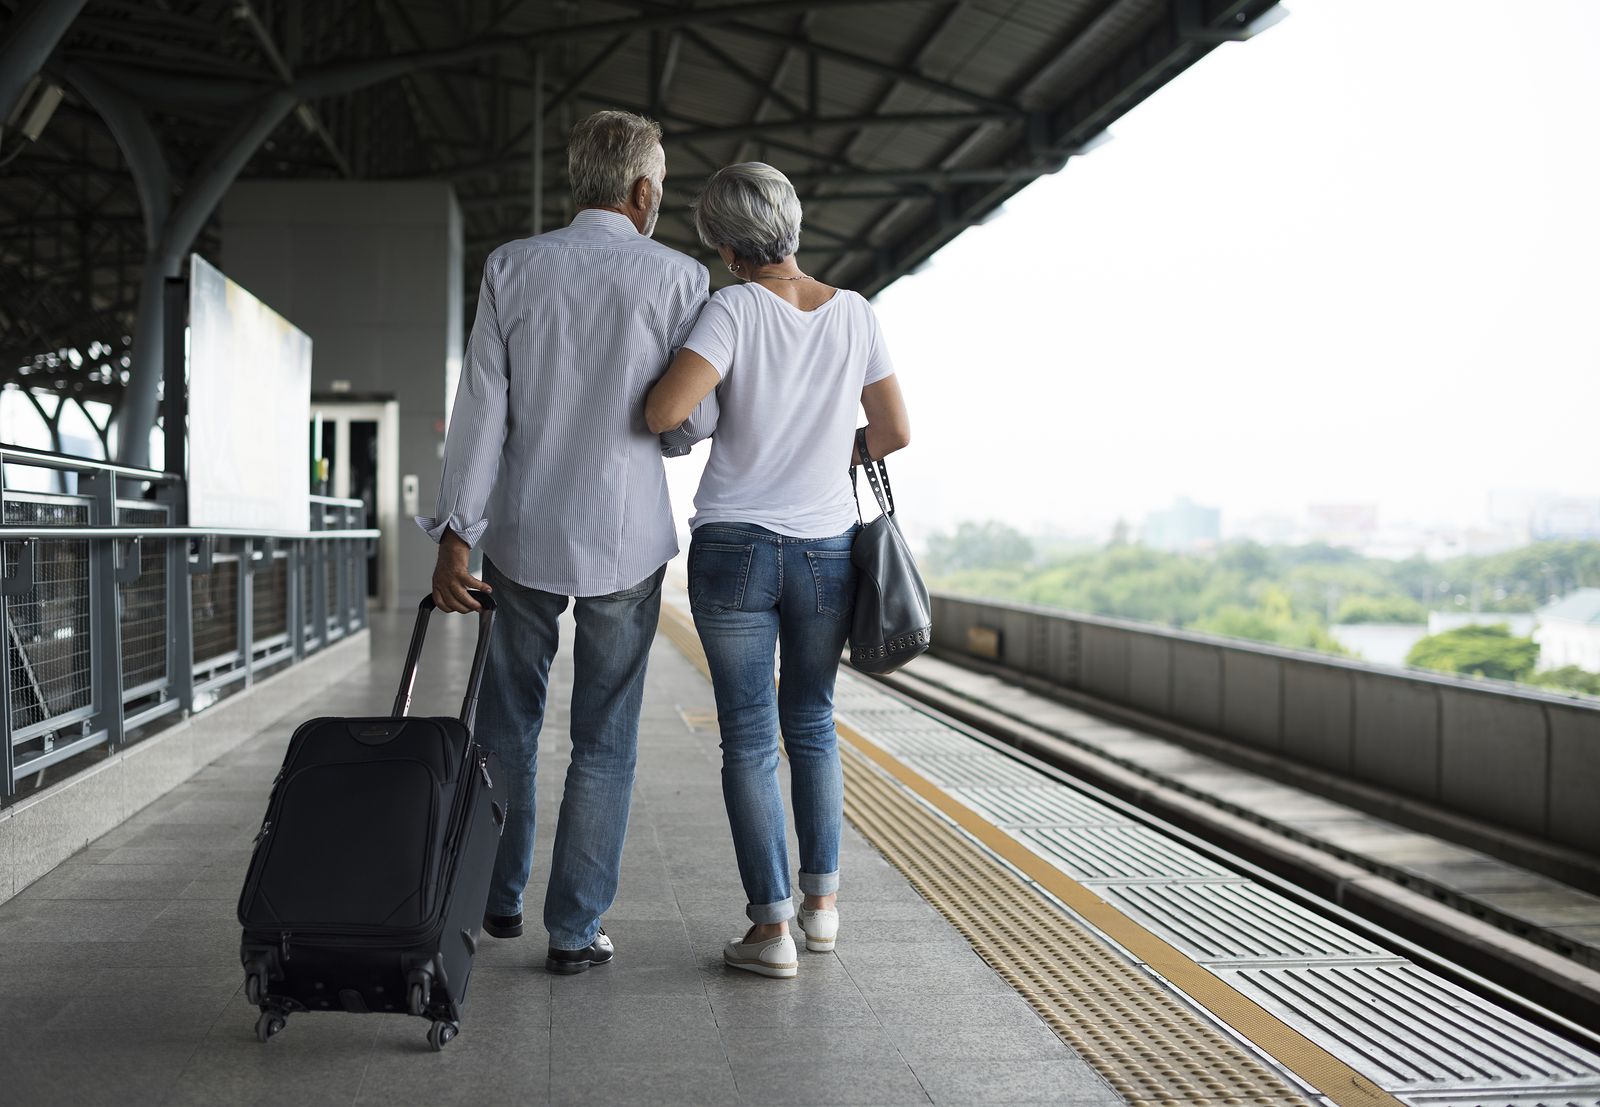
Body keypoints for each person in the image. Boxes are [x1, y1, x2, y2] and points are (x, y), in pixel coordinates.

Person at [417, 110, 709, 975]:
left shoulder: (512, 268)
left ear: (579, 181)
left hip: (521, 533)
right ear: (645, 190)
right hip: (627, 537)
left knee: (506, 724)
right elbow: (687, 425)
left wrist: (455, 538)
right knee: (605, 738)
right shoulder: (680, 278)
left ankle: (497, 900)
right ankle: (575, 931)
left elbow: (480, 415)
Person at [644, 162, 911, 978]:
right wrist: (833, 453)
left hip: (735, 549)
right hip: (828, 550)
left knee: (750, 737)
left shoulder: (732, 309)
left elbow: (662, 412)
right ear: (793, 227)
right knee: (812, 724)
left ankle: (771, 930)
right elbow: (894, 431)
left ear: (727, 247)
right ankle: (822, 908)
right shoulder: (857, 314)